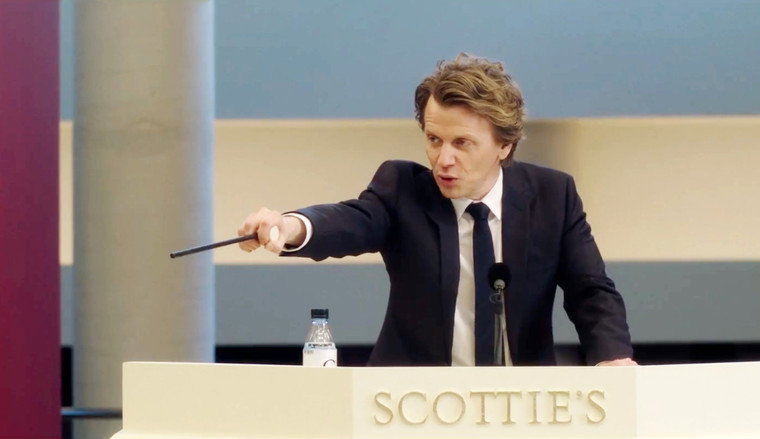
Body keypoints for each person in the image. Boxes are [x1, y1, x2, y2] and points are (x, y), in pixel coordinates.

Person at [238, 54, 637, 367]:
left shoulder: (552, 195)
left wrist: (612, 358)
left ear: (504, 145)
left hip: (521, 406)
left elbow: (590, 291)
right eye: (433, 139)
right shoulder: (403, 189)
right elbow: (351, 221)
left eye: (462, 143)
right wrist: (290, 226)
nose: (443, 159)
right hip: (410, 407)